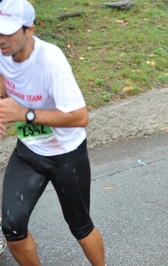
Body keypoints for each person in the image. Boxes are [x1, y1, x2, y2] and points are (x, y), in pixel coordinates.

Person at [0, 0, 105, 265]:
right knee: (12, 227)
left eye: (8, 31)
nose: (2, 38)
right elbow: (4, 85)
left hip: (66, 155)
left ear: (29, 30)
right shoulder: (2, 52)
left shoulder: (50, 60)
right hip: (29, 151)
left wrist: (24, 113)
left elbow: (80, 117)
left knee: (80, 227)